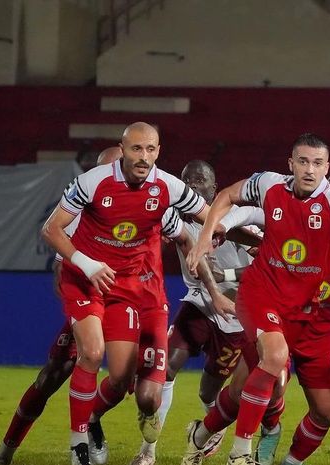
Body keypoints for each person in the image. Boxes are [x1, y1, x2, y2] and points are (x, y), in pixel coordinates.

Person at [182, 133, 330, 465]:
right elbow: (237, 207)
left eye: (317, 164)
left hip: (315, 326)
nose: (310, 170)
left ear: (327, 169)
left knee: (325, 410)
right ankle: (241, 453)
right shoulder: (272, 187)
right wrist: (211, 233)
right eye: (303, 161)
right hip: (265, 300)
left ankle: (206, 436)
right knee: (269, 373)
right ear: (291, 164)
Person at [42, 122, 209, 465]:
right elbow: (54, 235)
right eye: (136, 149)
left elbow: (204, 223)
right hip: (102, 287)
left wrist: (244, 239)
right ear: (121, 152)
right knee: (98, 360)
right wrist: (84, 268)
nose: (143, 157)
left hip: (145, 297)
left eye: (150, 150)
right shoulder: (92, 191)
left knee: (138, 390)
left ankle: (103, 421)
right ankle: (84, 439)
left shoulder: (163, 193)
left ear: (158, 152)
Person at [0, 146, 123, 465]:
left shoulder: (146, 207)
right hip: (90, 309)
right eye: (106, 171)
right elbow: (59, 271)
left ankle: (98, 425)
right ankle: (6, 450)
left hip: (128, 307)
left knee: (133, 378)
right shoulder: (77, 217)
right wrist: (83, 318)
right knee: (50, 378)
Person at [128, 160, 256, 465]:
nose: (194, 187)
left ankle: (212, 426)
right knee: (166, 370)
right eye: (188, 182)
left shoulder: (234, 220)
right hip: (197, 305)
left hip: (233, 317)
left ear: (214, 188)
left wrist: (225, 276)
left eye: (201, 181)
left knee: (208, 392)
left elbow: (264, 260)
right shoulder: (175, 218)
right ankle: (148, 452)